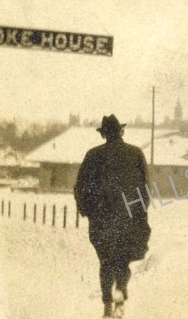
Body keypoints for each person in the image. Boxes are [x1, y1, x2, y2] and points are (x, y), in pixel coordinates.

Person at [74, 115, 151, 317]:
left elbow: (80, 186)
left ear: (104, 134)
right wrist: (140, 214)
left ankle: (107, 304)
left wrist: (86, 210)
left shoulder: (93, 155)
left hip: (100, 220)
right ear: (121, 132)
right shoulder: (135, 153)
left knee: (105, 262)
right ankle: (121, 291)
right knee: (122, 260)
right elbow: (145, 189)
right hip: (128, 218)